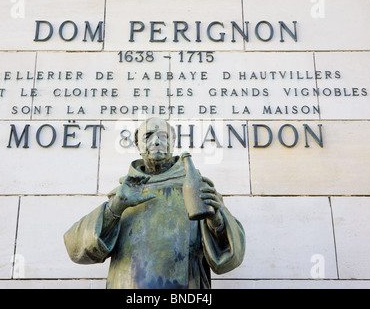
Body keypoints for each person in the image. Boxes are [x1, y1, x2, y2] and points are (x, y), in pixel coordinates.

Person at [64, 117, 245, 289]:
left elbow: (231, 255)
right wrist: (113, 209)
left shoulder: (198, 188)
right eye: (148, 136)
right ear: (138, 145)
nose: (156, 142)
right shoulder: (124, 194)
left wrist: (216, 220)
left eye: (164, 136)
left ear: (173, 142)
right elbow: (76, 250)